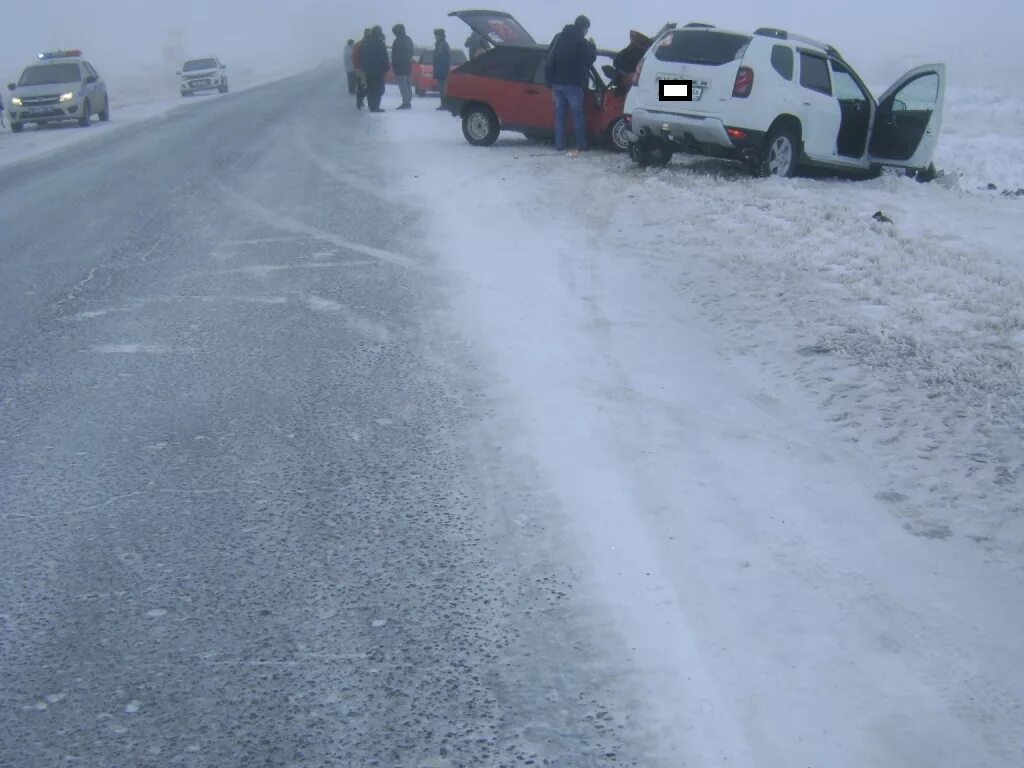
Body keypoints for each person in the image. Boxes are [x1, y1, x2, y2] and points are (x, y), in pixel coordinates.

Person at [545, 15, 597, 156]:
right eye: (587, 29)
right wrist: (592, 45)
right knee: (577, 115)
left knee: (560, 115)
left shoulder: (559, 37)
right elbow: (590, 58)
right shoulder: (580, 40)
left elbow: (549, 56)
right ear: (584, 27)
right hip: (573, 84)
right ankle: (581, 144)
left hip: (557, 83)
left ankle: (559, 145)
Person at [362, 26, 390, 113]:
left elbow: (363, 56)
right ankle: (376, 107)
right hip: (378, 71)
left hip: (368, 70)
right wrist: (386, 67)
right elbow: (384, 57)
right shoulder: (380, 43)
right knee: (379, 89)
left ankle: (371, 106)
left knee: (370, 88)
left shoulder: (366, 43)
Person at [391, 24, 415, 110]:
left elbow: (396, 55)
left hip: (400, 67)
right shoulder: (408, 39)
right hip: (407, 66)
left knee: (403, 85)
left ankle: (406, 102)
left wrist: (395, 64)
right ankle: (408, 101)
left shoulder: (397, 41)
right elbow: (412, 51)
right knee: (407, 84)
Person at [432, 28, 451, 111]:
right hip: (442, 70)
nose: (435, 37)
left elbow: (441, 59)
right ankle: (444, 104)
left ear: (439, 36)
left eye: (436, 35)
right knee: (442, 88)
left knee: (443, 88)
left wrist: (440, 71)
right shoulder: (442, 44)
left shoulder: (441, 45)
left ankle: (444, 104)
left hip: (442, 71)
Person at [352, 29, 371, 109]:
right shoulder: (367, 44)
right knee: (367, 85)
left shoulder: (358, 44)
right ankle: (365, 100)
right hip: (364, 68)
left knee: (360, 85)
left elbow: (353, 56)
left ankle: (359, 102)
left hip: (357, 68)